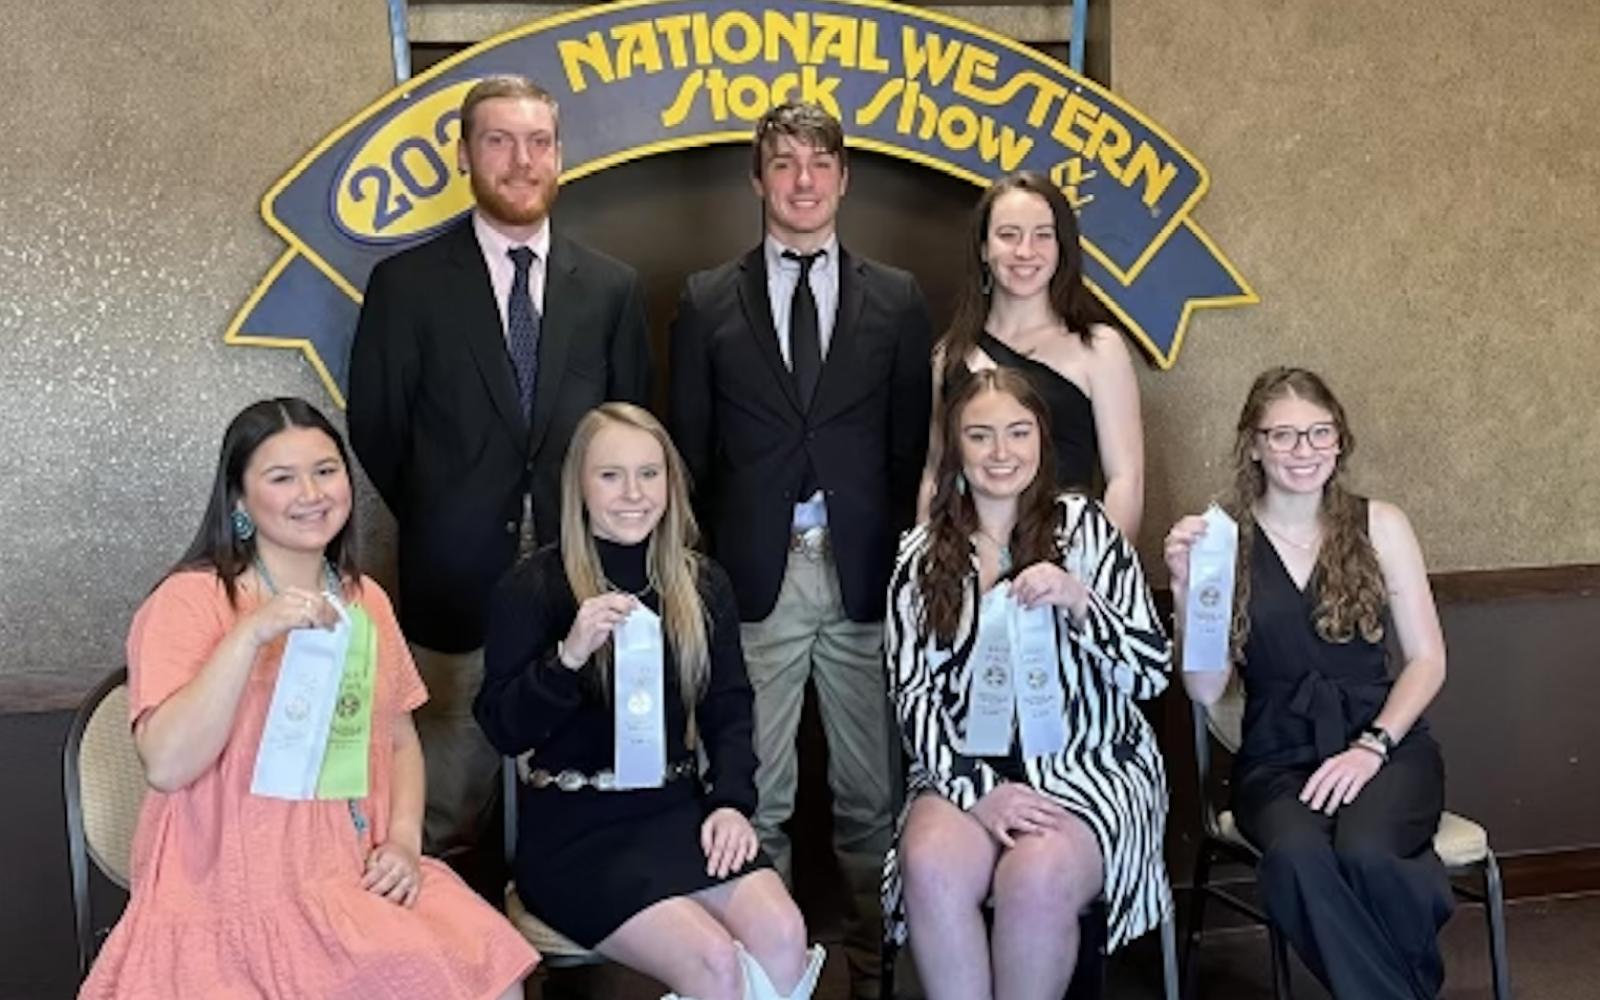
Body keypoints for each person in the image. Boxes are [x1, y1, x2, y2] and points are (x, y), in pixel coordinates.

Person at [78, 398, 538, 1000]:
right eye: (281, 477)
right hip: (231, 890)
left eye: (325, 470)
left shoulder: (364, 599)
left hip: (351, 870)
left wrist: (402, 840)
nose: (312, 492)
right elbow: (166, 764)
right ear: (239, 501)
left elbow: (398, 740)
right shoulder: (189, 601)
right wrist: (250, 635)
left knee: (488, 973)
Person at [348, 74, 652, 860]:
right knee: (444, 816)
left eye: (539, 143)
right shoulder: (406, 285)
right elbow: (376, 430)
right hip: (454, 597)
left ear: (560, 157)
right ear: (464, 155)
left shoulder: (612, 288)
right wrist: (449, 512)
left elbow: (632, 433)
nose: (522, 161)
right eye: (499, 141)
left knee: (585, 812)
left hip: (581, 588)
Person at [668, 100, 932, 1000]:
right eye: (784, 164)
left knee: (872, 797)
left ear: (845, 178)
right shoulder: (706, 299)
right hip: (754, 582)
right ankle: (764, 978)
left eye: (820, 164)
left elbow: (909, 449)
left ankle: (875, 965)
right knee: (757, 799)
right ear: (758, 178)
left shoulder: (896, 298)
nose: (804, 181)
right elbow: (690, 453)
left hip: (861, 579)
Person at [476, 403, 826, 1000]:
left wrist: (732, 804)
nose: (633, 492)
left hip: (675, 811)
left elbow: (730, 708)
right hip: (574, 831)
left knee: (785, 934)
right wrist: (569, 656)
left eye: (649, 473)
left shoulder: (701, 584)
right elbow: (504, 729)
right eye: (610, 475)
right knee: (713, 960)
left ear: (670, 482)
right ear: (579, 486)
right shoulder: (532, 588)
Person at [1164, 366, 1453, 1000]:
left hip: (1386, 747)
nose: (1305, 452)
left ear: (1340, 440)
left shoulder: (1382, 524)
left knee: (1370, 853)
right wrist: (1187, 593)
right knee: (1298, 858)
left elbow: (1428, 659)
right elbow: (1208, 690)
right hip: (1276, 760)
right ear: (1253, 444)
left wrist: (1371, 746)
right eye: (1285, 435)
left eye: (1320, 433)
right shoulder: (1220, 538)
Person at [884, 368, 1172, 1000]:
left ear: (1042, 439)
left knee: (1034, 875)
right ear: (956, 446)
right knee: (929, 863)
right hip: (963, 765)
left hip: (1089, 765)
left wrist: (1080, 602)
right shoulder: (921, 554)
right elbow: (913, 695)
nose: (1001, 452)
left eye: (1018, 432)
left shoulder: (1088, 530)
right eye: (980, 436)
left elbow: (1151, 673)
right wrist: (981, 792)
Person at [918, 170, 1145, 539]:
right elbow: (934, 473)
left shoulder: (1099, 349)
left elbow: (1125, 480)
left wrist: (1099, 581)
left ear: (1062, 248)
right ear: (983, 248)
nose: (1026, 251)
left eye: (1043, 235)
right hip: (968, 569)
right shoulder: (949, 355)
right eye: (1009, 235)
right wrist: (923, 571)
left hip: (1066, 565)